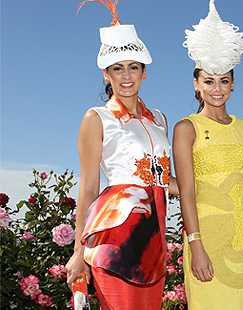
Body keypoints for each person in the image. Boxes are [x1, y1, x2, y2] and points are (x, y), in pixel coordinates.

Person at [65, 1, 177, 308]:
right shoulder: (96, 118)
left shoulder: (160, 119)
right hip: (114, 241)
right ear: (106, 75)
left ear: (144, 72)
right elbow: (88, 187)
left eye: (133, 67)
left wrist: (214, 187)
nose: (126, 75)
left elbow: (164, 180)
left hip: (154, 242)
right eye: (117, 68)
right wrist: (78, 251)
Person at [172, 1, 243, 309]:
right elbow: (187, 191)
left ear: (233, 84)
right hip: (206, 243)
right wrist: (196, 246)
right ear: (197, 85)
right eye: (209, 81)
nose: (216, 88)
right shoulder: (187, 128)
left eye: (224, 80)